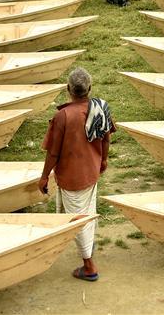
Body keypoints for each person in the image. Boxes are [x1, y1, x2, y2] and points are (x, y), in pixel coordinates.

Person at [39, 67, 115, 283]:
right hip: (91, 172)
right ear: (89, 88)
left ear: (68, 89)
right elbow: (106, 139)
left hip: (71, 178)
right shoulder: (100, 108)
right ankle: (89, 246)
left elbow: (53, 152)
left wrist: (44, 176)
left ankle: (89, 266)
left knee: (77, 219)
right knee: (87, 211)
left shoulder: (63, 116)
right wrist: (103, 160)